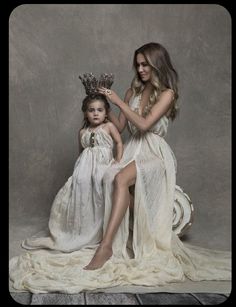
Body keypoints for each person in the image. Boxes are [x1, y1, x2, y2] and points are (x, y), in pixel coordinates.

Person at [9, 43, 230, 294]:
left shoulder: (167, 93)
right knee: (110, 177)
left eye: (145, 64)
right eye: (137, 64)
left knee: (121, 179)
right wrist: (107, 103)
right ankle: (138, 229)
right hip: (133, 148)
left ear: (157, 63)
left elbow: (145, 124)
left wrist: (119, 102)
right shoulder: (131, 92)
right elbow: (122, 127)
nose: (140, 68)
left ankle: (106, 247)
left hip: (155, 154)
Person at [21, 73, 123, 252]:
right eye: (91, 110)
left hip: (103, 166)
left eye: (100, 110)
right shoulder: (82, 132)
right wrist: (78, 170)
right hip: (84, 169)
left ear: (106, 112)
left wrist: (118, 161)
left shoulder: (109, 127)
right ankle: (81, 227)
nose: (95, 113)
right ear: (86, 112)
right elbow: (81, 152)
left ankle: (101, 231)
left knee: (100, 193)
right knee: (82, 192)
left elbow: (119, 142)